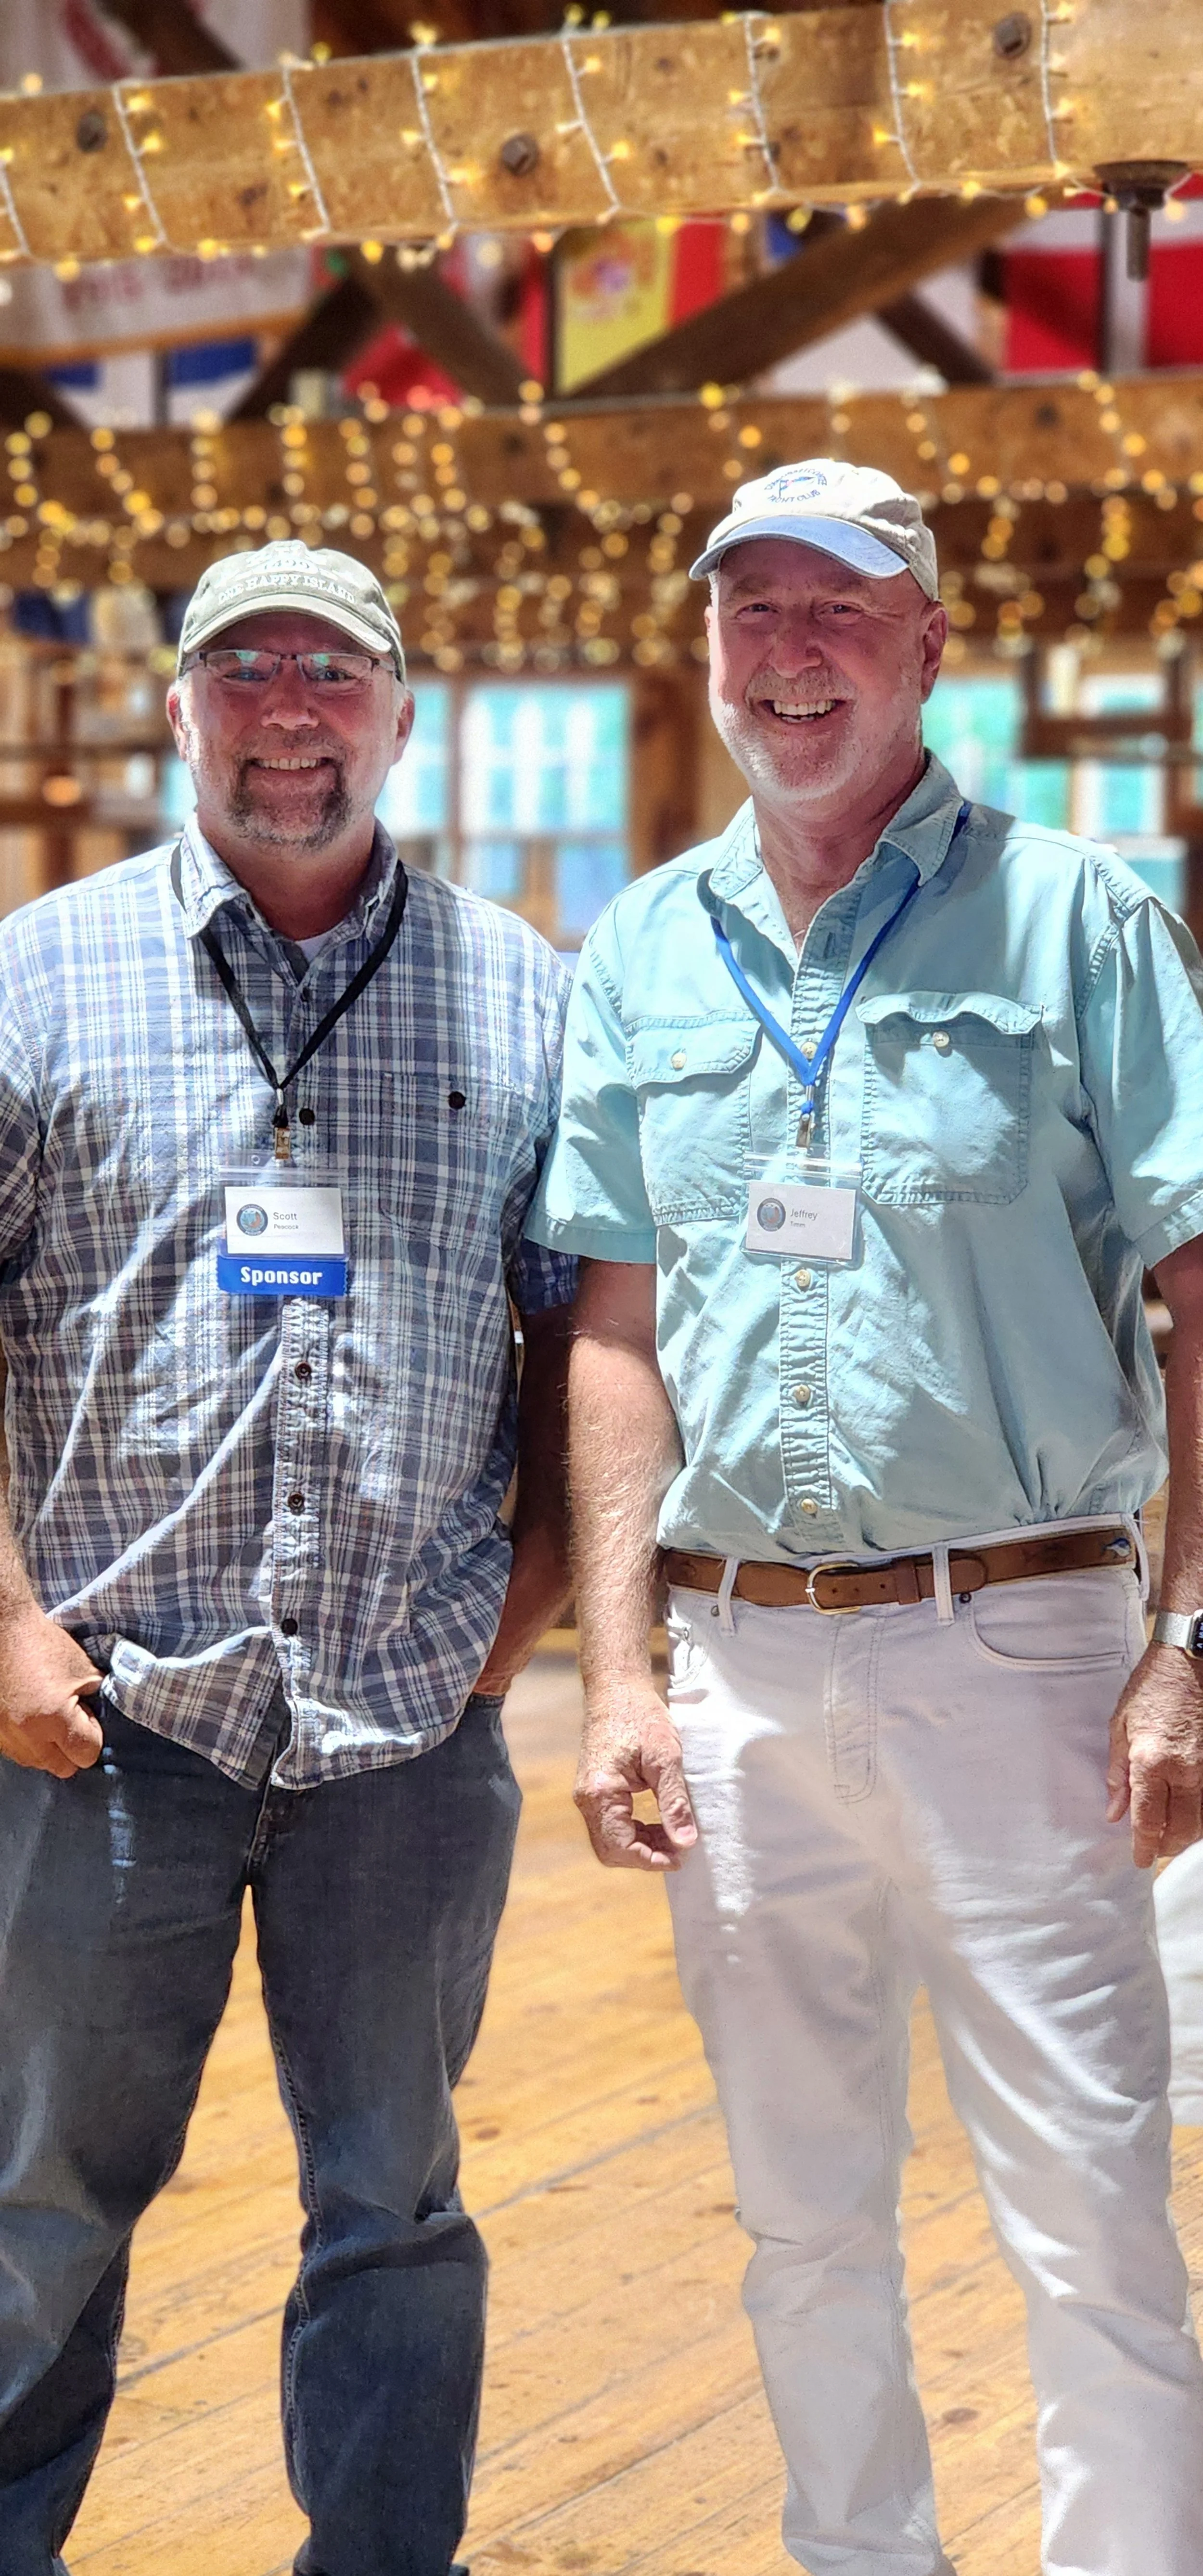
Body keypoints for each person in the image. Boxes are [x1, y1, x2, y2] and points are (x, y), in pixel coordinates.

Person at [526, 460, 1203, 2576]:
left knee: (1086, 2209)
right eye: (753, 612)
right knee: (798, 2220)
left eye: (841, 610)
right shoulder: (643, 944)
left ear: (930, 648)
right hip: (732, 1674)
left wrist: (1187, 1647)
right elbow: (617, 1327)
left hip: (1018, 1656)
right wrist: (618, 1672)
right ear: (708, 649)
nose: (790, 653)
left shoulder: (1080, 918)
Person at [0, 541, 575, 2576]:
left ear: (398, 717)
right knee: (39, 2206)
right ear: (183, 712)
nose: (290, 712)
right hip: (103, 1726)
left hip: (407, 1737)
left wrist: (509, 1646)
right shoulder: (35, 975)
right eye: (245, 671)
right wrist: (0, 1627)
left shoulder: (527, 997)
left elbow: (593, 1340)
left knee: (396, 2211)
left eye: (333, 673)